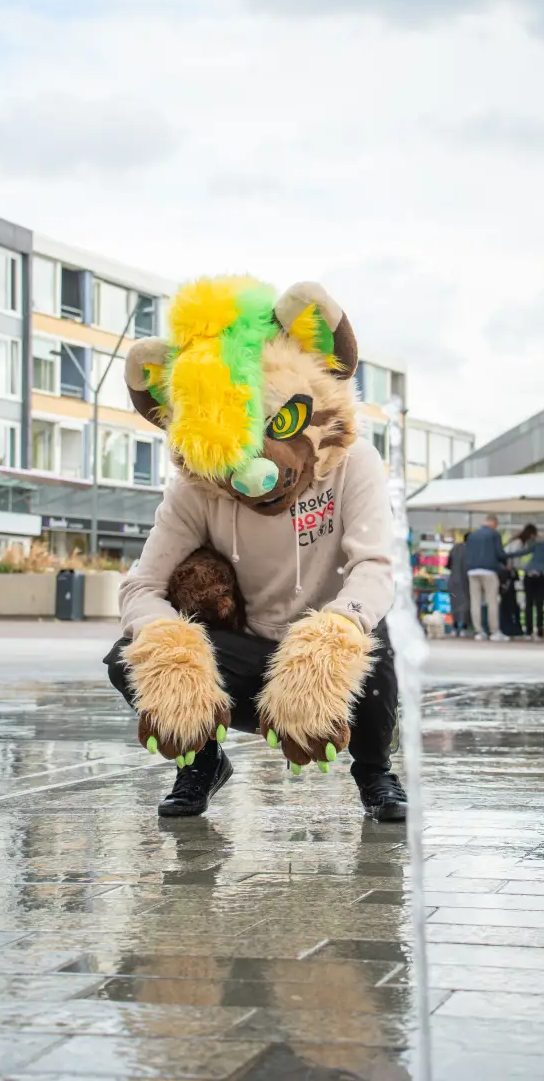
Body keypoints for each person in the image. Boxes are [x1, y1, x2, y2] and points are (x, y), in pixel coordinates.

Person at [104, 276, 407, 822]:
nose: (253, 476)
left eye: (279, 425)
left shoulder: (353, 462)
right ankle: (202, 762)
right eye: (228, 452)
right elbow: (141, 586)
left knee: (375, 641)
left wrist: (333, 634)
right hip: (248, 652)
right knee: (127, 659)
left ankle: (375, 770)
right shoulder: (196, 486)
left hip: (327, 653)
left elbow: (374, 569)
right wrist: (170, 647)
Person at [464, 515, 509, 641]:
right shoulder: (494, 534)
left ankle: (479, 631)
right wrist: (505, 563)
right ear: (494, 523)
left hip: (472, 570)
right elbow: (500, 553)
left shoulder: (472, 535)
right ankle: (494, 631)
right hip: (488, 570)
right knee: (492, 601)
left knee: (475, 601)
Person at [446, 534, 470, 635]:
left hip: (454, 580)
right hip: (467, 581)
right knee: (467, 603)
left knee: (454, 603)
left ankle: (455, 627)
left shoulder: (455, 548)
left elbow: (448, 565)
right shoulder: (471, 550)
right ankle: (464, 627)